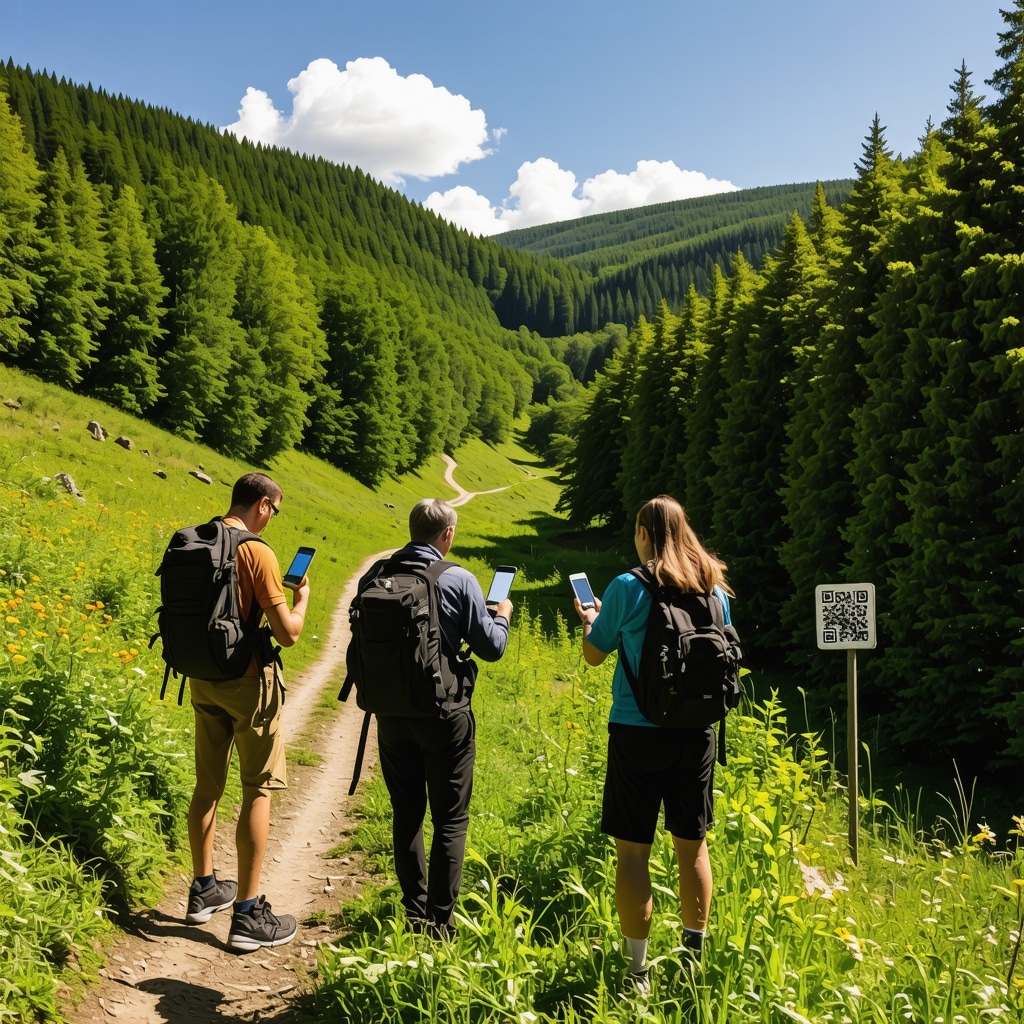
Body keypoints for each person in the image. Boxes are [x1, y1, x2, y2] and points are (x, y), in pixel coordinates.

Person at [573, 495, 734, 995]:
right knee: (693, 850)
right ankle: (692, 962)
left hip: (636, 732)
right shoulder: (715, 587)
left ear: (645, 532)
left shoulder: (626, 586)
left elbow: (595, 655)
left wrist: (589, 620)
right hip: (696, 734)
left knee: (633, 855)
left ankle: (638, 974)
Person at [362, 498, 512, 938]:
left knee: (406, 812)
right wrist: (499, 616)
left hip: (389, 713)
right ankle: (440, 926)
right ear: (447, 535)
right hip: (444, 714)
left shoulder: (376, 575)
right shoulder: (457, 578)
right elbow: (491, 648)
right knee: (450, 819)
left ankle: (414, 913)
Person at [184, 472, 310, 952]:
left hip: (201, 678)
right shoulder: (256, 551)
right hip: (246, 682)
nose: (272, 519)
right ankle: (248, 913)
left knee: (207, 785)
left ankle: (203, 890)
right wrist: (302, 601)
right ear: (262, 504)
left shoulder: (197, 539)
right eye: (274, 511)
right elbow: (287, 634)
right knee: (258, 787)